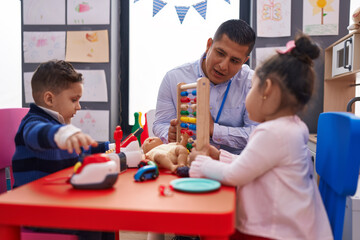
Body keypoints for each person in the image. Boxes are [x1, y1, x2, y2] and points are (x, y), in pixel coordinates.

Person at [189, 34, 333, 240]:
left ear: (266, 89)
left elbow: (235, 175)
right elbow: (256, 165)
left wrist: (200, 163)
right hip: (293, 228)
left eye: (252, 87)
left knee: (212, 225)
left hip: (274, 232)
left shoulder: (272, 133)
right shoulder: (294, 127)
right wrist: (220, 156)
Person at [12, 60, 114, 240]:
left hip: (56, 201)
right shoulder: (33, 122)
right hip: (34, 210)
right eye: (74, 100)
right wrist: (61, 134)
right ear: (49, 99)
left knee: (105, 216)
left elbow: (80, 149)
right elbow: (37, 134)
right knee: (91, 221)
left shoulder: (59, 126)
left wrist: (109, 147)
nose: (79, 106)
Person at [153, 19, 257, 155]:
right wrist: (169, 134)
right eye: (220, 53)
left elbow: (257, 135)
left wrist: (213, 129)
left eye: (234, 61)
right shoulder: (174, 78)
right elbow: (160, 123)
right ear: (209, 45)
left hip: (232, 165)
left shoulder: (252, 83)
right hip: (186, 160)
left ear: (244, 61)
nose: (223, 66)